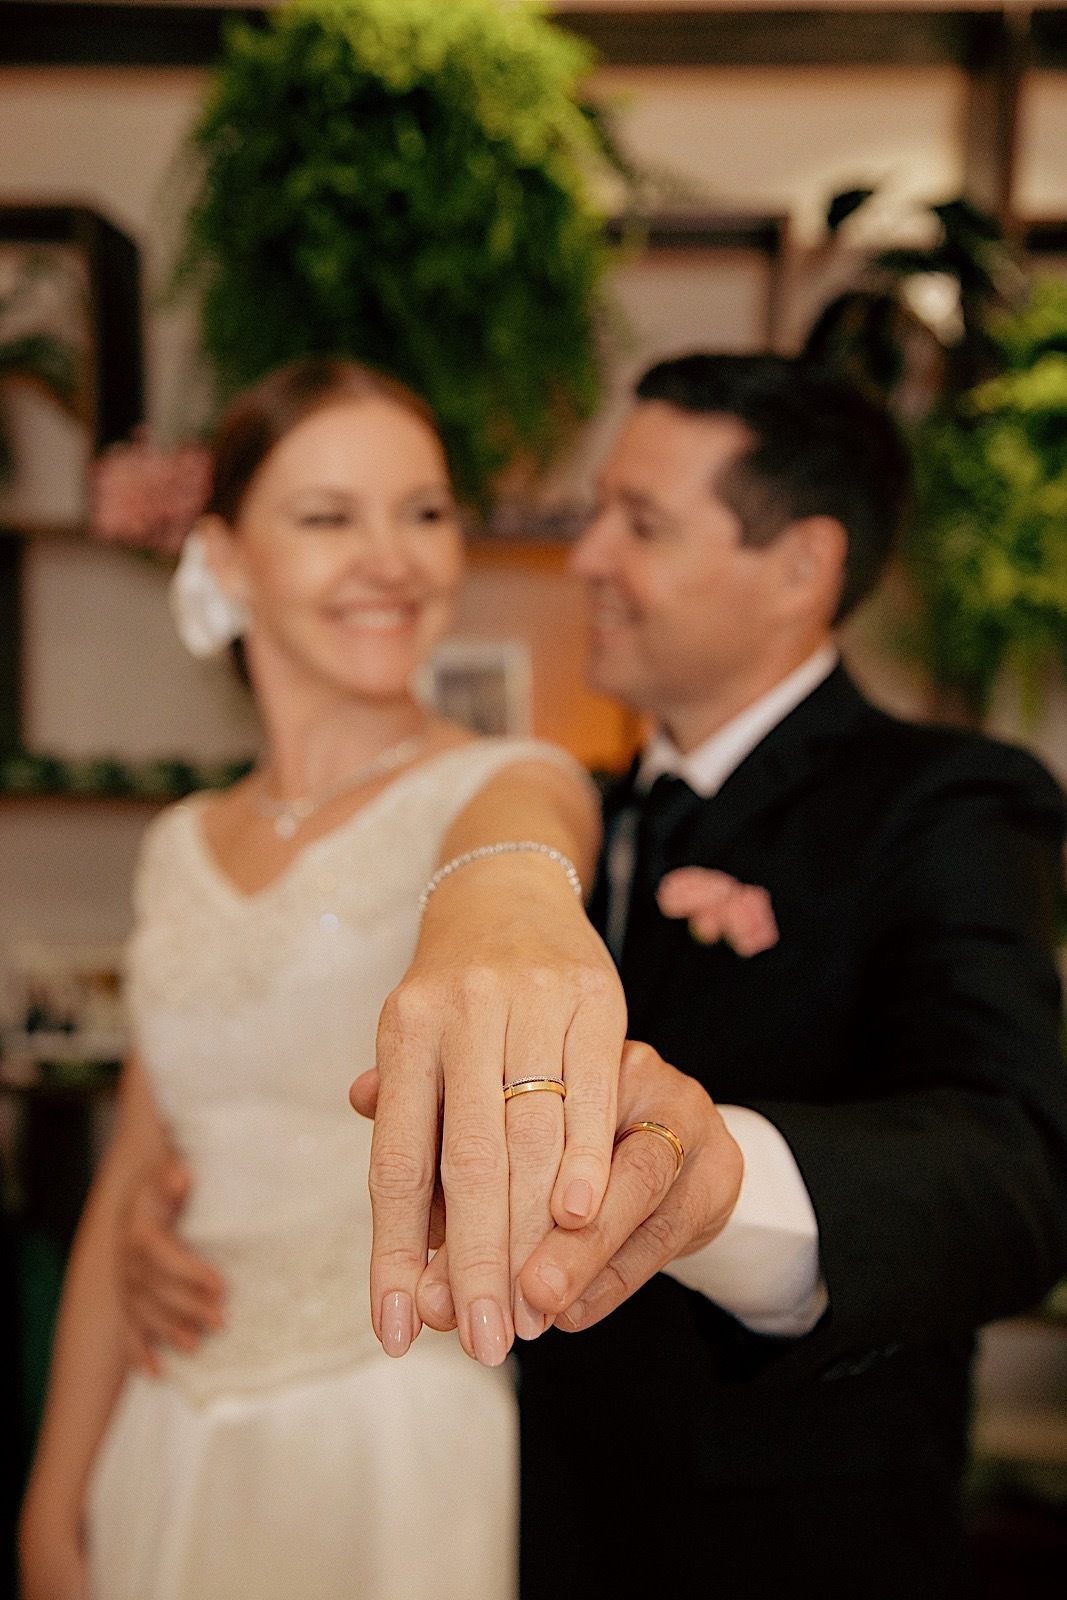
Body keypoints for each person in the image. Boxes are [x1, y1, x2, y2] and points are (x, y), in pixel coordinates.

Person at [113, 354, 1067, 1598]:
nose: (586, 559)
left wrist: (726, 1179)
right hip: (518, 1496)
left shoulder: (942, 800)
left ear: (799, 567)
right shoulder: (587, 802)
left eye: (641, 523)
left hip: (778, 1545)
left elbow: (1016, 1172)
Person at [17, 356, 629, 1600]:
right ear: (227, 557)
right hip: (168, 1413)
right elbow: (140, 1172)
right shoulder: (176, 845)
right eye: (327, 515)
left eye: (421, 510)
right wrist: (50, 1496)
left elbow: (521, 848)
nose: (392, 558)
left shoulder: (502, 778)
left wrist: (508, 901)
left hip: (389, 1426)